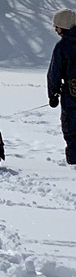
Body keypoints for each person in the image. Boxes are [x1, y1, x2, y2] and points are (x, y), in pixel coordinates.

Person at [48, 8, 76, 164]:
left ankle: (73, 165)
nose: (55, 30)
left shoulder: (62, 46)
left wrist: (53, 94)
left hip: (71, 96)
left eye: (56, 26)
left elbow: (54, 73)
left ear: (63, 26)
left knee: (72, 131)